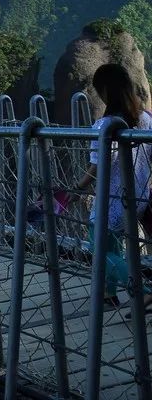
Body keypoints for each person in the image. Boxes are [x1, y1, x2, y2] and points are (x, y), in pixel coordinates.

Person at [73, 63, 152, 309]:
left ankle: (144, 289)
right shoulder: (145, 119)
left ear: (106, 91)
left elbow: (97, 165)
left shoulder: (105, 126)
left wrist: (77, 188)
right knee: (113, 244)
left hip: (113, 197)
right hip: (140, 193)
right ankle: (108, 295)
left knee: (97, 247)